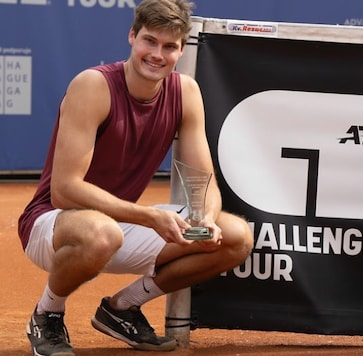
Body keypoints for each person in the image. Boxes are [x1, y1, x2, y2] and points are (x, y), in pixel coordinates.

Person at [17, 0, 254, 355]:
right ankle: (47, 314)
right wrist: (148, 216)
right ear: (132, 36)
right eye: (149, 41)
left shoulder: (186, 92)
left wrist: (204, 216)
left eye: (170, 46)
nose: (157, 54)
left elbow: (200, 179)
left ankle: (122, 309)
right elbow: (65, 191)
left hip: (119, 225)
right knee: (102, 232)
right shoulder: (93, 86)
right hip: (54, 225)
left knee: (235, 236)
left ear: (181, 48)